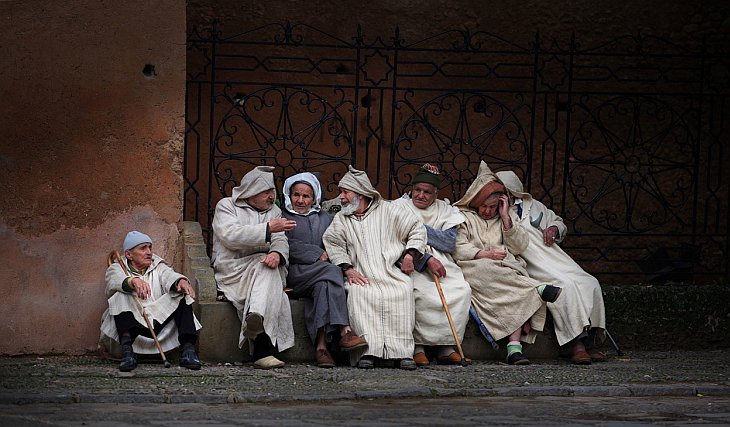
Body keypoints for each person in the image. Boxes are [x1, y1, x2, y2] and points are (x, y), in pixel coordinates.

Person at [452, 161, 563, 365]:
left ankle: (514, 350)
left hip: (504, 270)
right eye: (483, 206)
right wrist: (484, 254)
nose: (486, 211)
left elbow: (520, 246)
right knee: (489, 271)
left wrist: (505, 217)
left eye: (492, 207)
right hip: (474, 266)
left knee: (512, 283)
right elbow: (457, 247)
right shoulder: (462, 217)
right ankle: (536, 290)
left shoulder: (506, 217)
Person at [322, 165, 433, 370]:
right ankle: (367, 352)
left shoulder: (390, 211)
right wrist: (347, 268)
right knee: (358, 293)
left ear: (360, 193)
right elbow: (333, 242)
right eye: (341, 192)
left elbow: (417, 230)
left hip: (390, 273)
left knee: (402, 290)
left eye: (345, 192)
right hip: (360, 274)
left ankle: (402, 353)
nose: (342, 197)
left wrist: (410, 254)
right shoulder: (341, 219)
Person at [496, 170, 607, 364]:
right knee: (565, 287)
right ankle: (576, 346)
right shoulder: (498, 212)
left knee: (590, 282)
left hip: (555, 257)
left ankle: (590, 342)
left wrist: (554, 229)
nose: (502, 195)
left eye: (505, 191)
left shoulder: (534, 206)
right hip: (531, 263)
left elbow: (558, 222)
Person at [211, 165, 296, 369]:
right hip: (233, 268)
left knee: (267, 267)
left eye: (272, 192)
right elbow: (230, 236)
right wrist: (267, 228)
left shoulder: (273, 210)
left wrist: (276, 253)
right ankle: (262, 346)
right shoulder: (226, 206)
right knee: (272, 282)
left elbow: (280, 240)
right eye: (267, 192)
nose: (271, 196)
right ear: (251, 191)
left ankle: (255, 321)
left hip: (261, 266)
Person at [281, 172, 368, 368]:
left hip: (321, 275)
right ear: (289, 194)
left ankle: (321, 348)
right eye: (296, 195)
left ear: (314, 198)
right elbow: (285, 244)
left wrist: (329, 255)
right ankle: (345, 330)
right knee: (333, 272)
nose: (301, 200)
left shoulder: (325, 218)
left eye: (306, 196)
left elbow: (336, 241)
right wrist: (315, 253)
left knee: (323, 287)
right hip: (296, 273)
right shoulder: (282, 216)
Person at [392, 164, 473, 366]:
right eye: (417, 190)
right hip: (409, 259)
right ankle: (417, 347)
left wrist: (415, 228)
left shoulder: (445, 210)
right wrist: (424, 257)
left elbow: (447, 242)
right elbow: (395, 239)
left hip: (443, 261)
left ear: (435, 194)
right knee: (419, 291)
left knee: (460, 290)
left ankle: (446, 347)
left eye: (427, 192)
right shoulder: (397, 207)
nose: (420, 195)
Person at [100, 231, 202, 371]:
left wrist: (180, 281)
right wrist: (132, 281)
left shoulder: (157, 265)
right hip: (133, 328)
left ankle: (188, 350)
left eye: (150, 247)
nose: (149, 252)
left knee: (181, 294)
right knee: (119, 296)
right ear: (129, 254)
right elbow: (113, 281)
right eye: (143, 248)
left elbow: (169, 275)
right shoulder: (117, 268)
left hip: (157, 322)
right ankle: (128, 352)